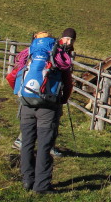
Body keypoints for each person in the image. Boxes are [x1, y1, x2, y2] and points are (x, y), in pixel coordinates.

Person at [6, 28, 75, 193]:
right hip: (49, 108)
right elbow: (68, 83)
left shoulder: (29, 55)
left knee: (27, 143)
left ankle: (27, 181)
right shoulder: (59, 57)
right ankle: (42, 186)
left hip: (26, 105)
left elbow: (11, 77)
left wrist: (21, 93)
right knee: (45, 145)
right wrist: (62, 100)